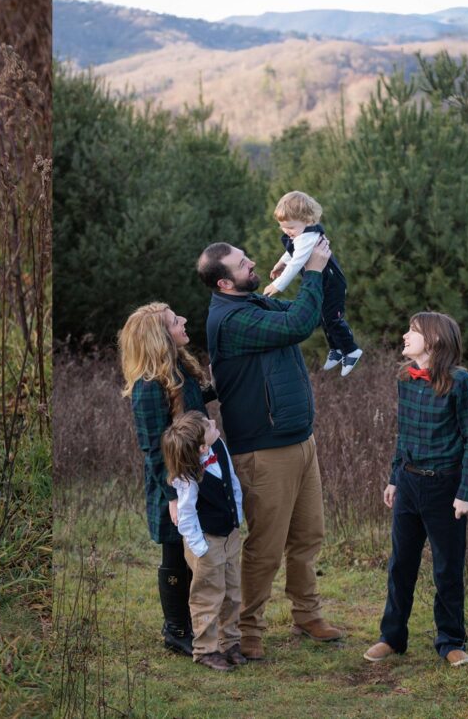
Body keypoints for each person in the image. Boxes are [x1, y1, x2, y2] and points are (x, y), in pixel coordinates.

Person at [197, 239, 345, 660]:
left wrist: (299, 271)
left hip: (301, 440)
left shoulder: (255, 306)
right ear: (226, 283)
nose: (254, 263)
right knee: (265, 546)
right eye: (244, 264)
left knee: (308, 536)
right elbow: (298, 325)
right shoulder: (231, 320)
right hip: (264, 451)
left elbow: (304, 312)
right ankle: (249, 630)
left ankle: (307, 614)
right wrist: (311, 272)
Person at [364, 312, 468, 667]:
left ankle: (450, 641)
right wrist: (394, 477)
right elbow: (405, 434)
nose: (404, 336)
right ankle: (392, 637)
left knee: (447, 567)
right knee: (401, 563)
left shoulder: (460, 382)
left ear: (433, 340)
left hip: (445, 487)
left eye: (412, 332)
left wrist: (466, 492)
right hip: (409, 483)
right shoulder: (406, 378)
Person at [118, 302, 214, 656]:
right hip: (170, 482)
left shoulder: (178, 370)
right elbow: (152, 447)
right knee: (174, 550)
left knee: (191, 550)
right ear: (160, 336)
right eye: (176, 321)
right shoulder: (147, 387)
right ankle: (175, 629)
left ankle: (192, 620)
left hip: (195, 473)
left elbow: (193, 406)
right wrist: (173, 496)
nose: (184, 321)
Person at [161, 411, 245, 672]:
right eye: (208, 425)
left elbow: (231, 481)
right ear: (201, 446)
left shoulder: (218, 446)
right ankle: (206, 649)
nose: (213, 422)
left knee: (232, 591)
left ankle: (230, 641)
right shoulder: (188, 477)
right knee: (208, 596)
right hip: (207, 542)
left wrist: (237, 517)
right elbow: (185, 517)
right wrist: (201, 549)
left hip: (229, 535)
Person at [262, 191, 361, 376]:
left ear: (307, 220)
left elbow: (297, 261)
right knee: (323, 317)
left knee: (332, 318)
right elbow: (293, 248)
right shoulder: (301, 235)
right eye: (282, 227)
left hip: (332, 283)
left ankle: (351, 350)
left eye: (290, 227)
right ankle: (337, 349)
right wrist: (281, 263)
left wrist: (278, 285)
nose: (286, 231)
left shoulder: (308, 236)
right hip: (323, 281)